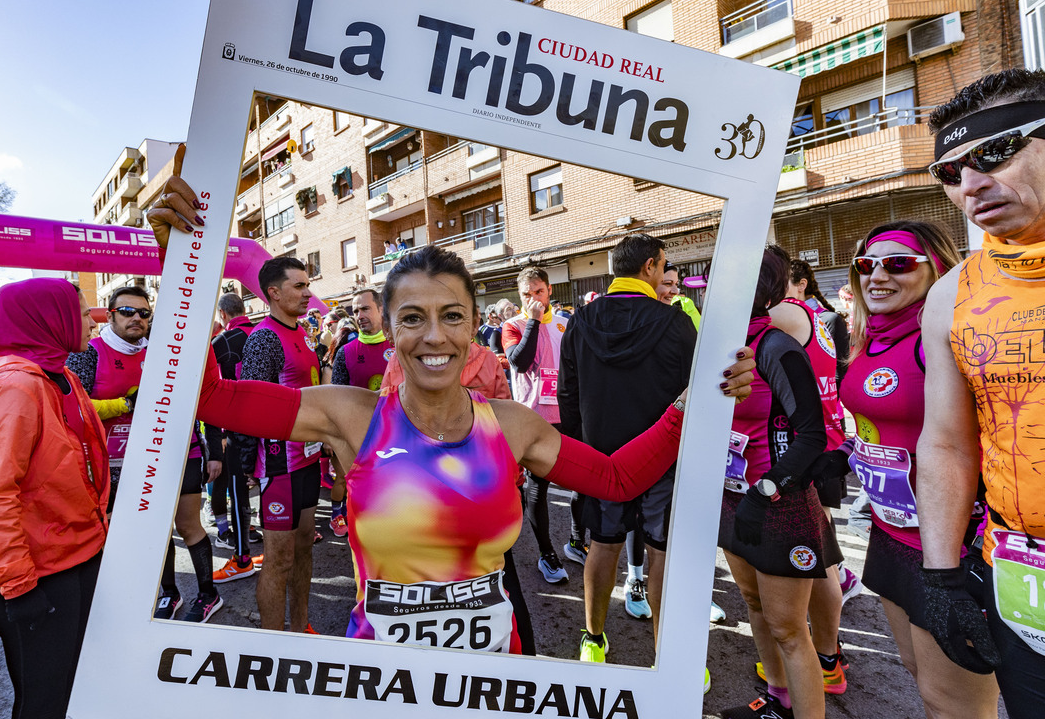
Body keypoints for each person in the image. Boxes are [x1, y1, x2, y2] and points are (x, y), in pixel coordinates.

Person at [147, 176, 755, 655]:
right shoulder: (348, 416)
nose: (433, 336)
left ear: (473, 326)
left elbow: (618, 480)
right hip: (382, 686)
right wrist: (185, 268)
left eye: (453, 316)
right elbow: (213, 400)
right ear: (387, 326)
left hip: (494, 682)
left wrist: (694, 402)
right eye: (412, 317)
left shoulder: (513, 426)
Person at [829, 221, 1001, 719]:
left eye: (898, 264)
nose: (876, 276)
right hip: (889, 534)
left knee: (962, 714)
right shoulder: (867, 336)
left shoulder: (945, 338)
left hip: (949, 546)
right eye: (866, 265)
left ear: (939, 270)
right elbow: (877, 423)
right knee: (922, 682)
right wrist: (844, 452)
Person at [918, 69, 1045, 719]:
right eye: (951, 171)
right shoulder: (950, 296)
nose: (970, 186)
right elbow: (945, 441)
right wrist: (940, 578)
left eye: (995, 152)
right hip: (1024, 584)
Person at [0, 278, 106, 719]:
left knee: (76, 699)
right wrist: (20, 586)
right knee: (45, 715)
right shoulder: (16, 387)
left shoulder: (57, 373)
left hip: (76, 557)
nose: (92, 319)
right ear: (50, 320)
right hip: (38, 575)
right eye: (83, 311)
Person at [559, 235, 699, 669]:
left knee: (603, 545)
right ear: (653, 266)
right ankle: (665, 649)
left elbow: (568, 395)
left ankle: (593, 639)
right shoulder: (677, 323)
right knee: (661, 551)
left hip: (601, 461)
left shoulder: (580, 322)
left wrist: (583, 452)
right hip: (663, 460)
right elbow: (694, 398)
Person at [718, 245, 837, 719]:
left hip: (777, 501)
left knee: (790, 629)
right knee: (755, 607)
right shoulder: (723, 343)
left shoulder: (775, 345)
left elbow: (812, 434)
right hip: (733, 495)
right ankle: (778, 703)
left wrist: (764, 489)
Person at [67, 286, 225, 622]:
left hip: (178, 453)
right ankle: (170, 593)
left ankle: (209, 594)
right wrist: (126, 404)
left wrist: (214, 448)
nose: (137, 318)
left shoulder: (162, 352)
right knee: (154, 529)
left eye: (143, 313)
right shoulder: (89, 353)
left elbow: (200, 400)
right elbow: (72, 409)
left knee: (188, 524)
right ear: (109, 314)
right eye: (127, 312)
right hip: (119, 460)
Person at [237, 256, 322, 633]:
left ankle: (300, 627)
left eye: (308, 284)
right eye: (299, 286)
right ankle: (272, 643)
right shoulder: (264, 338)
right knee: (279, 560)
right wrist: (246, 464)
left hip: (308, 458)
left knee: (304, 549)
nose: (308, 293)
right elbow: (249, 406)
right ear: (273, 293)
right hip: (278, 466)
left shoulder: (302, 332)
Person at [504, 266, 587, 583]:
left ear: (549, 290)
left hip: (567, 416)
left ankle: (576, 541)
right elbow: (520, 362)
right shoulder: (514, 325)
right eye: (527, 294)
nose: (533, 299)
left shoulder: (566, 322)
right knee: (538, 486)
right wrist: (534, 322)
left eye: (538, 292)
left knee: (581, 482)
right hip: (533, 418)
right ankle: (546, 554)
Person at [329, 289, 391, 536]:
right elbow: (336, 399)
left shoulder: (400, 346)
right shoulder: (346, 352)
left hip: (396, 437)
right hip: (357, 439)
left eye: (365, 308)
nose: (359, 315)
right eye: (355, 311)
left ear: (381, 310)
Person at [208, 293, 261, 582]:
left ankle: (242, 557)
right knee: (271, 487)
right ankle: (273, 548)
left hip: (238, 430)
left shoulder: (221, 343)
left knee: (238, 490)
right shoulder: (266, 333)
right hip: (278, 427)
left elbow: (212, 395)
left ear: (223, 314)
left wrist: (217, 440)